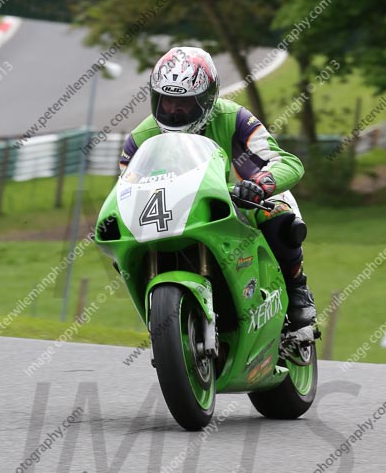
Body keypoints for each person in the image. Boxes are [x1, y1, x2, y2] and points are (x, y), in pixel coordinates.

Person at [119, 46, 316, 330]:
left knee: (280, 217)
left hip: (239, 202)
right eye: (165, 101)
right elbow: (125, 186)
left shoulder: (235, 118)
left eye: (184, 103)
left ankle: (297, 288)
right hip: (175, 213)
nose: (173, 111)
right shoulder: (141, 137)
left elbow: (287, 161)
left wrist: (260, 184)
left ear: (207, 99)